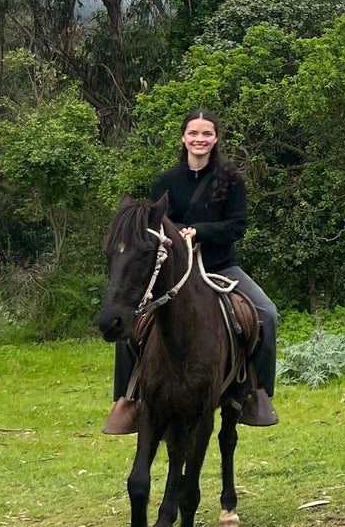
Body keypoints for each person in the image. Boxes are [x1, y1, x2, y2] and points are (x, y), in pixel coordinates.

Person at [102, 110, 279, 434]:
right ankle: (126, 399)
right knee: (131, 318)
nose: (200, 139)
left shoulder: (231, 181)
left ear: (215, 139)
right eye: (194, 133)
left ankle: (257, 392)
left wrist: (197, 231)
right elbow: (154, 225)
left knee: (267, 314)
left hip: (221, 266)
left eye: (206, 134)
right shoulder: (166, 182)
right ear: (183, 138)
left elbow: (237, 225)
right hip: (175, 272)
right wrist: (175, 234)